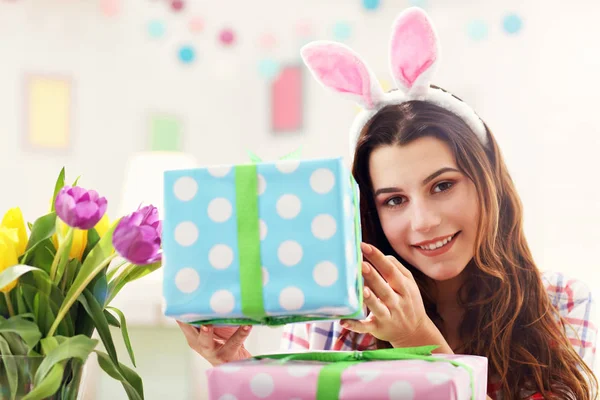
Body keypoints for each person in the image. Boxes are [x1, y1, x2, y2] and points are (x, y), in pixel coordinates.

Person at [178, 7, 598, 400]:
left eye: (442, 186)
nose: (424, 221)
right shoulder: (338, 319)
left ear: (488, 184)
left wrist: (416, 337)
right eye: (395, 199)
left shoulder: (562, 304)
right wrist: (235, 365)